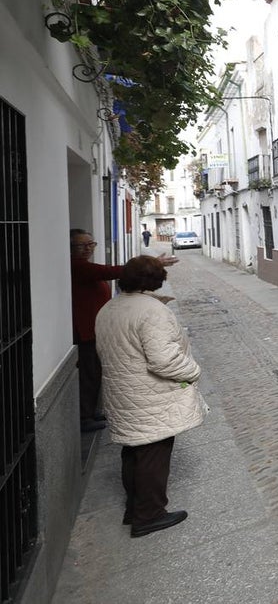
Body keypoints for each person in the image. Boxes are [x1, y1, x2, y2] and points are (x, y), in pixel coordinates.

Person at [95, 255, 205, 538]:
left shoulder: (109, 307)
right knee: (153, 454)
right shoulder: (151, 311)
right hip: (149, 395)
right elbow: (163, 360)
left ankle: (134, 508)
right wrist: (193, 371)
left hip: (123, 392)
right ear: (156, 281)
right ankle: (150, 514)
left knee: (133, 450)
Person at [70, 229, 177, 432]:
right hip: (86, 331)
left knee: (94, 372)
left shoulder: (83, 266)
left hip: (93, 330)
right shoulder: (77, 266)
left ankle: (91, 412)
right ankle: (85, 417)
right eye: (81, 245)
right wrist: (154, 264)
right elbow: (109, 271)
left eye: (91, 244)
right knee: (89, 374)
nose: (87, 249)